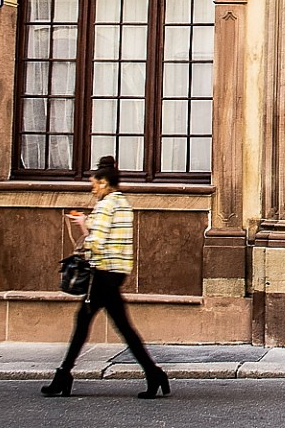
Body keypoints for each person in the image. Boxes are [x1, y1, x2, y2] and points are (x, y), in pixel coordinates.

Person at [41, 156, 170, 399]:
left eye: (95, 184)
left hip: (102, 274)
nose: (92, 188)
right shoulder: (123, 204)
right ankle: (153, 374)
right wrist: (86, 222)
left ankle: (63, 377)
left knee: (94, 326)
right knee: (108, 326)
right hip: (117, 272)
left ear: (105, 183)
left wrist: (82, 228)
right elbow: (112, 236)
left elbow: (97, 243)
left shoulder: (104, 206)